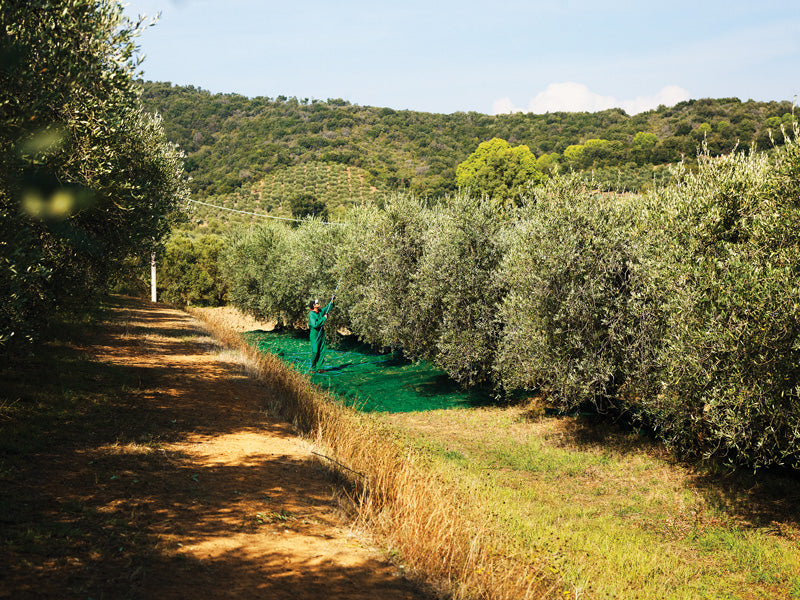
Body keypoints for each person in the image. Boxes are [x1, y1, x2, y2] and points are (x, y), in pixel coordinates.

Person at [308, 296, 333, 372]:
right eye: (316, 303)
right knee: (315, 351)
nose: (318, 304)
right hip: (315, 335)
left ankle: (320, 368)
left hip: (321, 333)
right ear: (314, 306)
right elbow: (315, 324)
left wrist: (331, 301)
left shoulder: (320, 311)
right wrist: (324, 318)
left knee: (322, 350)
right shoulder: (311, 314)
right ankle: (312, 368)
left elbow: (326, 308)